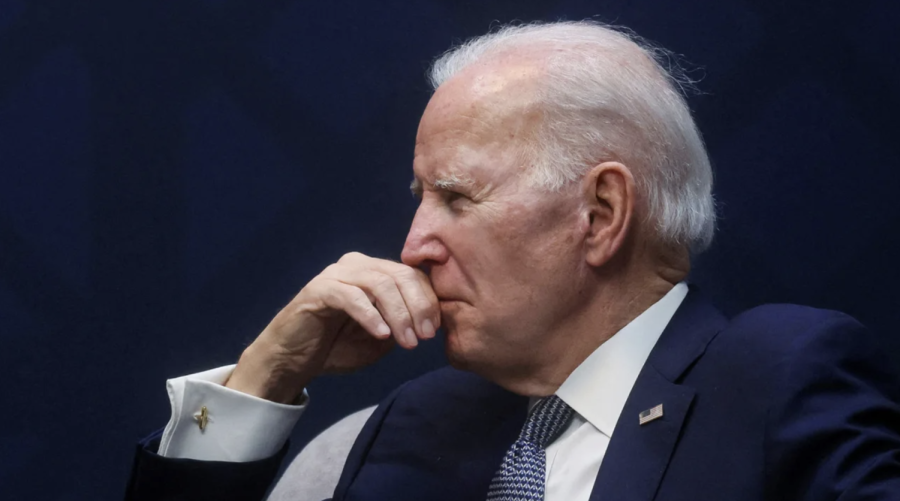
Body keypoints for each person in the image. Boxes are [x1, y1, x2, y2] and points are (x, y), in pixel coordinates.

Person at [124, 21, 900, 501]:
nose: (414, 244)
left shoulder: (772, 378)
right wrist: (265, 379)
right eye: (420, 196)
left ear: (600, 215)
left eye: (457, 198)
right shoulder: (408, 427)